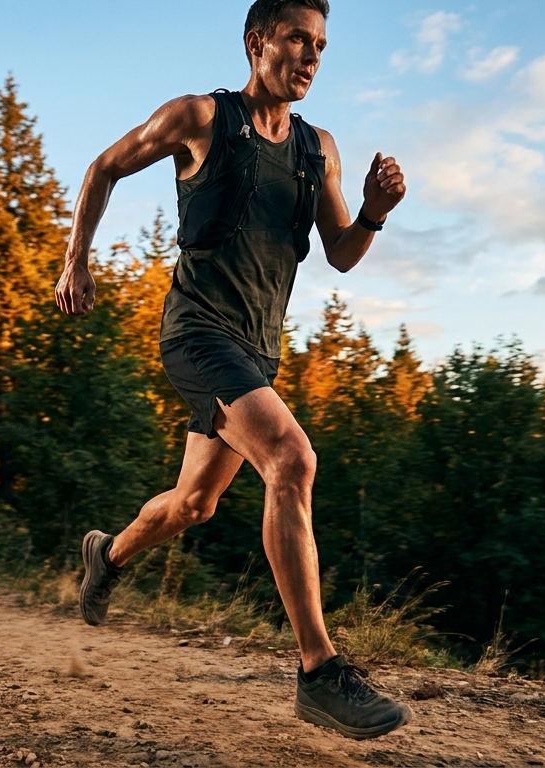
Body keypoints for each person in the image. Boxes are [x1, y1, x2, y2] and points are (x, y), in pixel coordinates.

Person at [54, 0, 410, 740]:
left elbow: (341, 251)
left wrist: (373, 213)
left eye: (320, 46)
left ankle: (108, 554)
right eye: (295, 39)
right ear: (257, 43)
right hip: (196, 334)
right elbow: (103, 168)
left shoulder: (320, 149)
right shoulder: (199, 118)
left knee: (193, 506)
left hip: (256, 350)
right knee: (291, 458)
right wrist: (75, 261)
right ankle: (320, 671)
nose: (310, 56)